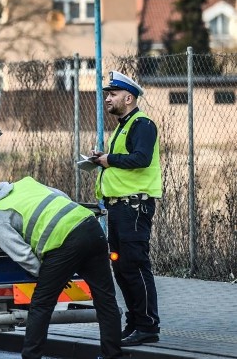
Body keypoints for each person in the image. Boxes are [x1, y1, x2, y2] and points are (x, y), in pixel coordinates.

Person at [0, 173, 122, 359]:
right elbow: (61, 197)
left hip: (63, 244)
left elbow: (21, 253)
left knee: (41, 305)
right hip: (89, 225)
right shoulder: (25, 183)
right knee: (106, 299)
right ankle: (112, 355)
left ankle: (31, 356)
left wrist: (45, 273)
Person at [90, 71, 162, 346]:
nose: (108, 99)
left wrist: (110, 159)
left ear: (128, 98)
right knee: (121, 267)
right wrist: (103, 160)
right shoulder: (125, 124)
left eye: (113, 95)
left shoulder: (142, 124)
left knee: (135, 265)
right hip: (120, 209)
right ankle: (135, 322)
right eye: (108, 94)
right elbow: (125, 159)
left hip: (134, 207)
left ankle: (147, 325)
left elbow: (141, 158)